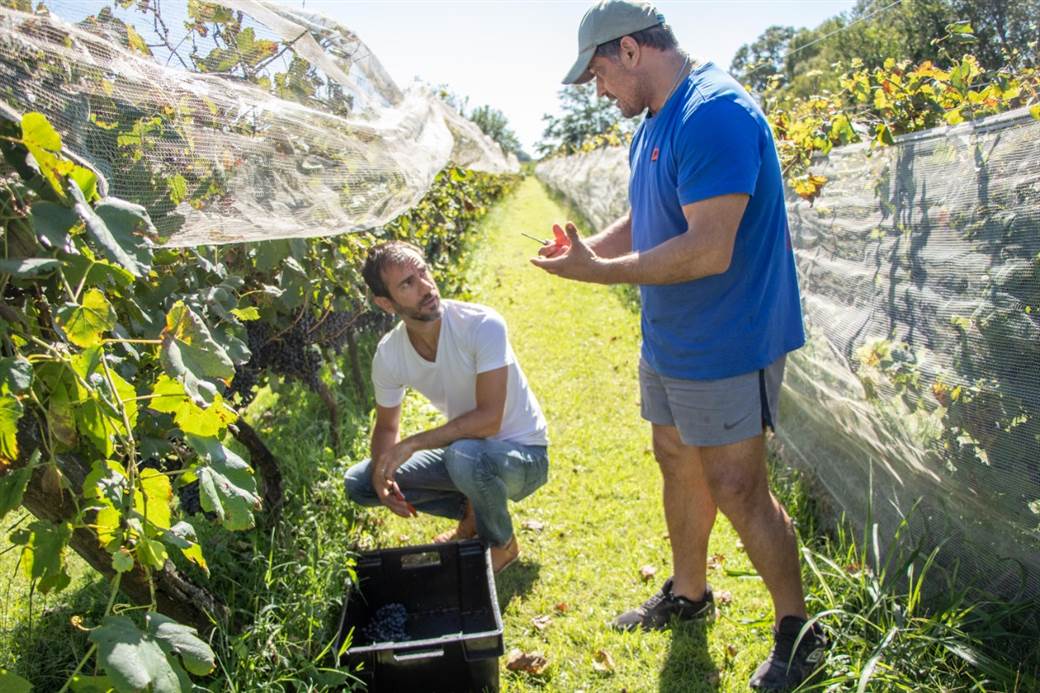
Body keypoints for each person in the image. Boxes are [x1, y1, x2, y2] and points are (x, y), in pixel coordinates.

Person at [532, 1, 825, 689]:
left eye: (600, 73)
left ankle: (801, 633)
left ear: (631, 50)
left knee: (737, 485)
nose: (599, 91)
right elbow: (649, 214)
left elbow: (709, 246)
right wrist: (586, 252)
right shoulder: (657, 122)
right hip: (671, 336)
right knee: (675, 457)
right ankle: (689, 595)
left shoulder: (713, 111)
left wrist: (601, 272)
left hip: (728, 336)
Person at [344, 241, 549, 573]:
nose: (426, 287)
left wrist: (413, 444)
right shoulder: (389, 353)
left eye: (422, 271)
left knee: (463, 455)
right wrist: (383, 477)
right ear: (386, 303)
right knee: (361, 482)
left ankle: (502, 543)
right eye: (407, 284)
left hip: (524, 456)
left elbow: (489, 422)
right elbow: (385, 427)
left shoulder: (481, 324)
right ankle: (472, 516)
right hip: (469, 456)